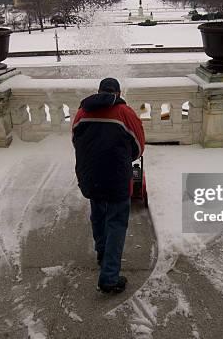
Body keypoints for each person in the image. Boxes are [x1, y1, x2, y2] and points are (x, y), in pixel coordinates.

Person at [72, 78, 145, 293]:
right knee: (116, 222)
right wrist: (124, 158)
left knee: (98, 214)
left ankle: (102, 253)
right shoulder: (125, 113)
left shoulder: (82, 112)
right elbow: (139, 146)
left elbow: (76, 141)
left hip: (90, 175)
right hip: (116, 177)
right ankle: (109, 277)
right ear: (119, 92)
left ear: (98, 91)